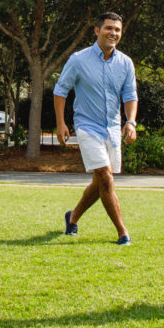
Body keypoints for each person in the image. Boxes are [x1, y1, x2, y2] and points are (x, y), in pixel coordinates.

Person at [54, 12, 138, 245]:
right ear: (97, 31)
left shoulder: (125, 63)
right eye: (108, 28)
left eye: (117, 30)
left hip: (112, 129)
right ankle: (122, 232)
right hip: (86, 126)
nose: (113, 33)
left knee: (100, 181)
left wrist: (130, 122)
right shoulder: (78, 59)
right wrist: (61, 124)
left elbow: (130, 96)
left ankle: (73, 217)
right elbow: (60, 90)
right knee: (105, 176)